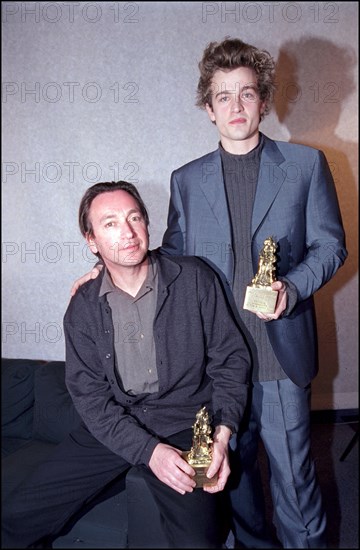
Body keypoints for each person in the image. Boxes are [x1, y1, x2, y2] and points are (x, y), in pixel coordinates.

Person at [69, 38, 347, 548]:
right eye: (223, 96)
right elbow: (169, 256)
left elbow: (331, 247)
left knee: (294, 485)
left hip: (277, 357)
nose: (236, 106)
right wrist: (101, 268)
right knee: (233, 490)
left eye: (246, 94)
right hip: (212, 372)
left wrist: (292, 286)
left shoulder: (306, 166)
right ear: (208, 108)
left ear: (264, 99)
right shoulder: (187, 180)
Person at [2, 180, 251, 549]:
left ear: (147, 224)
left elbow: (231, 361)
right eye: (110, 223)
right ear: (92, 241)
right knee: (17, 517)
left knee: (199, 540)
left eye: (134, 217)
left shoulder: (195, 279)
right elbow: (90, 399)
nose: (128, 232)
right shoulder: (83, 307)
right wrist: (149, 453)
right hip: (114, 426)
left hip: (186, 427)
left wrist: (222, 436)